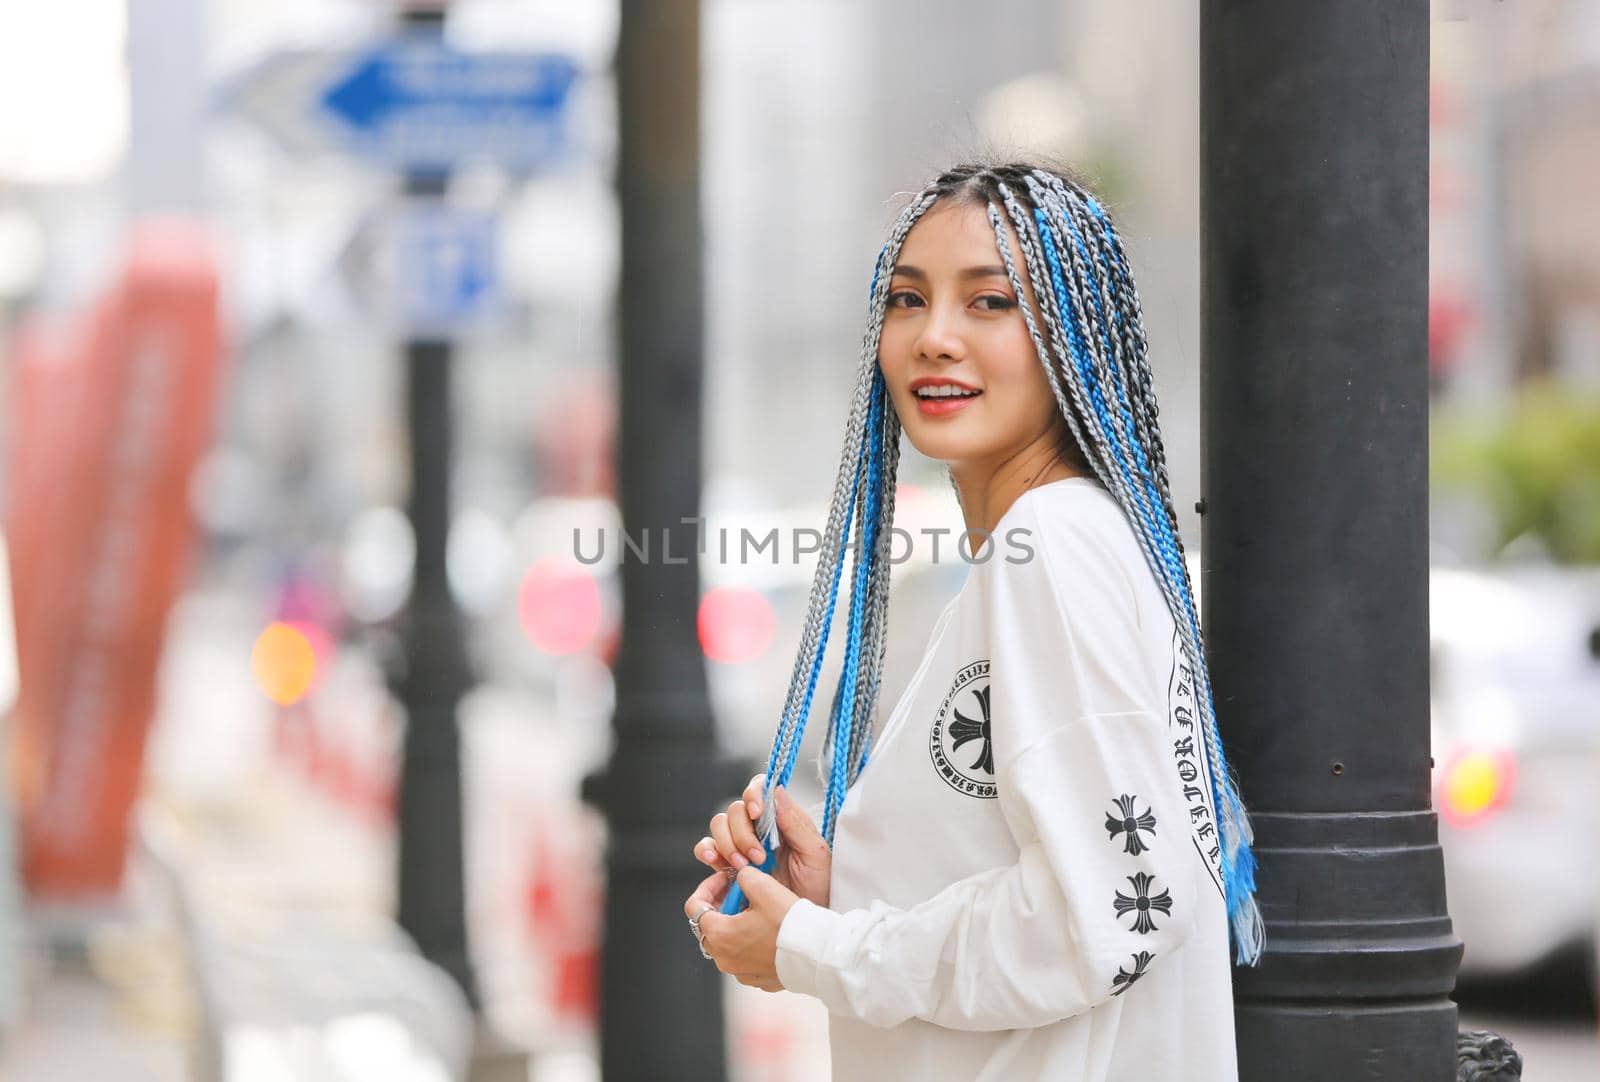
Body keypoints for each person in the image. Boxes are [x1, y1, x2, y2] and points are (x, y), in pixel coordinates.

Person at [682, 161, 1260, 1082]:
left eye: (990, 302)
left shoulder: (1056, 542)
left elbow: (1118, 916)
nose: (933, 338)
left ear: (1074, 337)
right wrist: (837, 902)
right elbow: (1080, 883)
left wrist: (820, 953)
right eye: (907, 301)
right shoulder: (1062, 547)